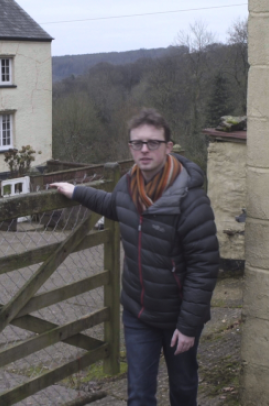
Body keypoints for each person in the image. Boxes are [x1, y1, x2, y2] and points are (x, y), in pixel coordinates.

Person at [50, 108, 220, 406]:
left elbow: (204, 266)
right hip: (138, 312)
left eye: (153, 142)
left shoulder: (191, 201)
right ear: (130, 147)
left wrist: (189, 326)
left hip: (178, 315)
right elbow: (116, 206)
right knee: (139, 395)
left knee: (182, 389)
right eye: (137, 143)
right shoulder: (128, 186)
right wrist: (76, 191)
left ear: (168, 147)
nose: (144, 149)